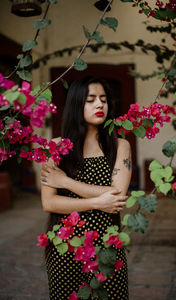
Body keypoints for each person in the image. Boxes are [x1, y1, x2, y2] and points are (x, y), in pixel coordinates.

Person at [40, 76, 132, 299]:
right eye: (90, 100)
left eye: (103, 99)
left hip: (107, 248)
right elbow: (49, 202)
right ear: (76, 105)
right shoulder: (57, 148)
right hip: (66, 248)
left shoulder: (120, 146)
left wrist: (65, 182)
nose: (100, 104)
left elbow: (117, 195)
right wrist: (97, 202)